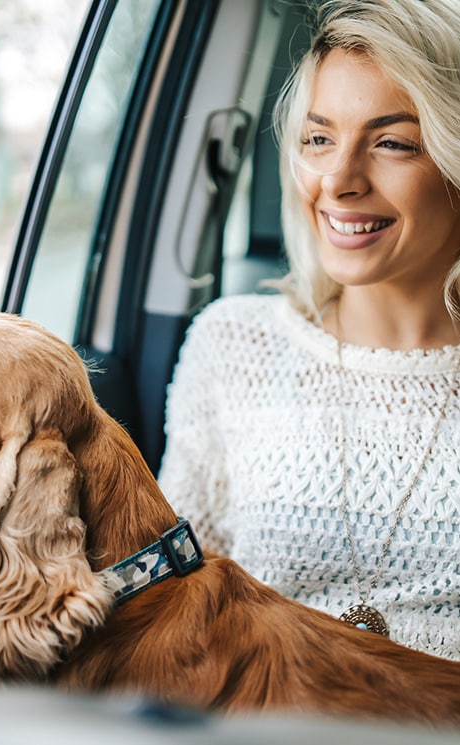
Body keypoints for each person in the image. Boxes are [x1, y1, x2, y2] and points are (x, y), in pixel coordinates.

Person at [158, 0, 460, 661]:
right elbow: (178, 598)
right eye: (318, 139)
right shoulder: (232, 345)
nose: (337, 181)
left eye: (391, 143)